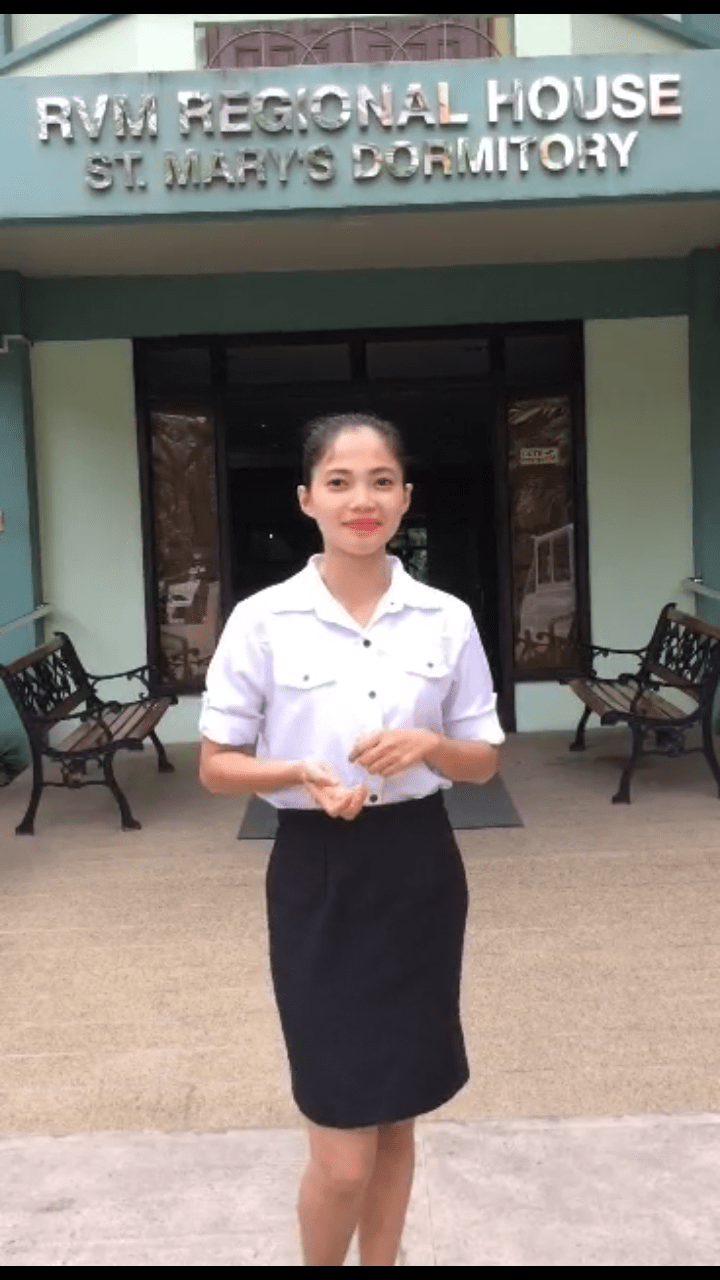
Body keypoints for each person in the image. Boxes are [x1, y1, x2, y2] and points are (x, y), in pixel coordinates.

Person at [199, 412, 504, 1266]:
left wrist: (430, 745)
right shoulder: (264, 620)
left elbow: (483, 761)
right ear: (308, 499)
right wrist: (298, 773)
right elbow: (216, 766)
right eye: (339, 482)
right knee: (342, 1153)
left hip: (418, 870)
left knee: (398, 1118)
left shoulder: (445, 619)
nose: (360, 499)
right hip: (318, 874)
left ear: (405, 498)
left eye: (380, 481)